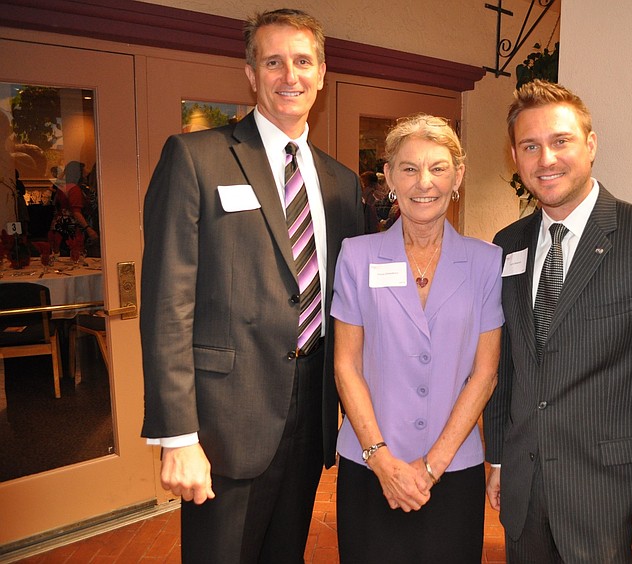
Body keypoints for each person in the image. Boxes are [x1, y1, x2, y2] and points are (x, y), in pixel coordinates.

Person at [140, 8, 363, 563]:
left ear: (322, 72)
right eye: (273, 62)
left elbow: (351, 303)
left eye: (303, 61)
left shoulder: (341, 183)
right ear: (250, 73)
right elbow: (168, 305)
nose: (290, 75)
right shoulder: (196, 158)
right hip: (224, 426)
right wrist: (177, 436)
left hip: (311, 419)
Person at [483, 80, 632, 562]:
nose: (545, 158)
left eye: (560, 140)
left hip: (613, 501)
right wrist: (501, 458)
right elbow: (505, 365)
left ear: (590, 145)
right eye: (530, 146)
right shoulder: (508, 244)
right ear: (515, 156)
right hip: (526, 496)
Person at [332, 114, 503, 563]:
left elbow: (484, 375)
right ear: (388, 176)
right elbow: (346, 365)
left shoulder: (486, 263)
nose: (423, 182)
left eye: (438, 167)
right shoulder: (357, 256)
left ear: (458, 175)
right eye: (408, 168)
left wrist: (430, 468)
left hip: (452, 471)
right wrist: (382, 460)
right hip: (370, 469)